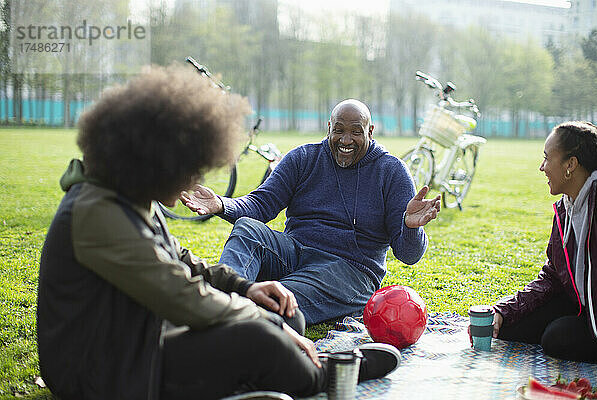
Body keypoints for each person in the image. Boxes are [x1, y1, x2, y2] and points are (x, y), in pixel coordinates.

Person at [36, 66, 400, 400]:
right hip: (104, 372)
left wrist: (247, 289)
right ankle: (326, 375)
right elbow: (179, 296)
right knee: (262, 333)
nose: (194, 180)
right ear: (154, 160)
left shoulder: (129, 198)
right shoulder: (97, 212)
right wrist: (262, 320)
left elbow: (184, 262)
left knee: (286, 313)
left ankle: (258, 377)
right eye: (190, 168)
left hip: (142, 342)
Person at [182, 99, 441, 325]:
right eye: (338, 130)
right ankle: (225, 295)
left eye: (355, 132)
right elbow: (261, 204)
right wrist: (221, 203)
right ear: (329, 128)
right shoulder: (303, 159)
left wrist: (410, 226)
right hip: (295, 252)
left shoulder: (392, 172)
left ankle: (233, 317)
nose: (346, 140)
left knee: (278, 300)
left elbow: (408, 255)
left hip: (350, 271)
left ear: (370, 132)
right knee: (247, 228)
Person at [489, 121, 597, 363]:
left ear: (570, 164)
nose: (541, 167)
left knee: (557, 339)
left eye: (547, 158)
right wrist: (503, 311)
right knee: (505, 328)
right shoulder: (565, 208)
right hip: (581, 306)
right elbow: (553, 276)